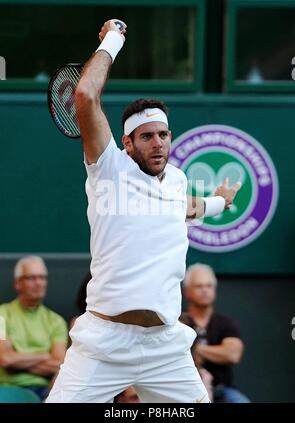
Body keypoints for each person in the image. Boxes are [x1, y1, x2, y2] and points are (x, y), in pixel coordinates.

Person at [46, 19, 241, 403]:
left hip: (165, 346)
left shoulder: (177, 182)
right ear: (127, 143)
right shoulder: (109, 168)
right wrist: (115, 37)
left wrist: (221, 202)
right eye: (147, 136)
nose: (157, 143)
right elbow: (85, 94)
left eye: (163, 135)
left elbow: (186, 208)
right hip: (105, 343)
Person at [0, 256, 68, 401]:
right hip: (9, 389)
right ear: (18, 283)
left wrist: (18, 362)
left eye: (42, 277)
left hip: (47, 390)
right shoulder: (1, 315)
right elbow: (5, 359)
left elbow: (60, 364)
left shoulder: (56, 321)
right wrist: (44, 355)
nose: (39, 283)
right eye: (31, 278)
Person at [180, 264, 250, 403]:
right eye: (199, 286)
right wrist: (214, 352)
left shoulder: (226, 323)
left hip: (222, 390)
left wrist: (195, 349)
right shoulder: (179, 322)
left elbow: (233, 354)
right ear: (187, 291)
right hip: (184, 388)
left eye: (209, 286)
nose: (205, 290)